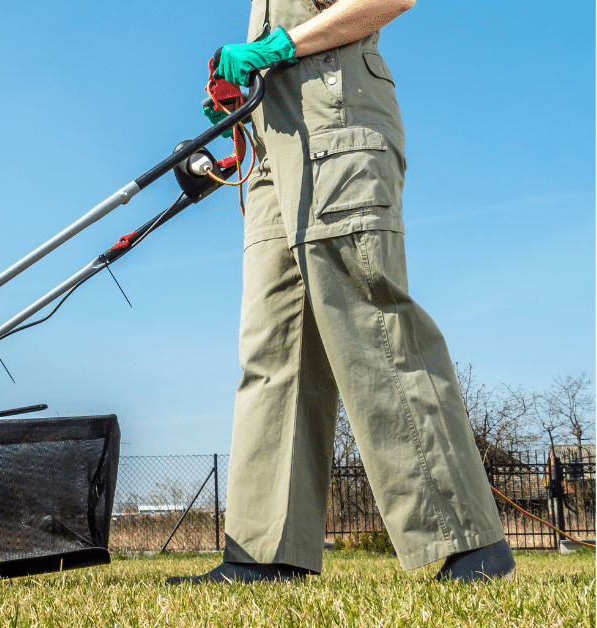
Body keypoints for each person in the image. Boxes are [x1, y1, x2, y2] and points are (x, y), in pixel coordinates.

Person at [168, 0, 516, 584]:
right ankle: (266, 552)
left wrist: (280, 47)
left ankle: (470, 542)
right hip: (273, 145)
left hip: (335, 120)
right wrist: (243, 86)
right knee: (274, 346)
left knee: (369, 323)